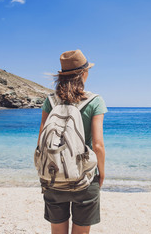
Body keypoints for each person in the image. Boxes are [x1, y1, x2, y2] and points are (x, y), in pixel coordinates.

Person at [37, 50, 108, 234]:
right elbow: (98, 145)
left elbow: (40, 142)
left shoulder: (50, 101)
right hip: (85, 178)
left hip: (54, 176)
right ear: (83, 73)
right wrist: (101, 173)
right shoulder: (95, 101)